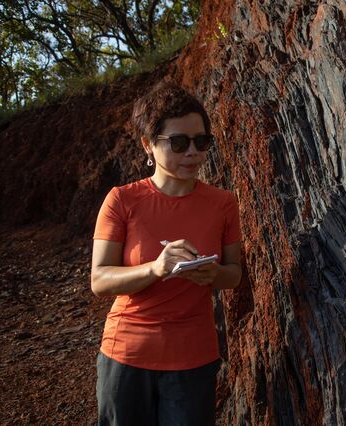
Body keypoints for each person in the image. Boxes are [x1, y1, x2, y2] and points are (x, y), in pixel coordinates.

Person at [90, 82, 242, 425]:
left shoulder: (223, 204)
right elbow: (100, 281)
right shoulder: (122, 200)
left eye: (201, 141)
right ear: (148, 145)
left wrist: (212, 274)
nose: (192, 152)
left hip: (193, 358)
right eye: (178, 143)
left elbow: (234, 274)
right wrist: (156, 268)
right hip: (126, 354)